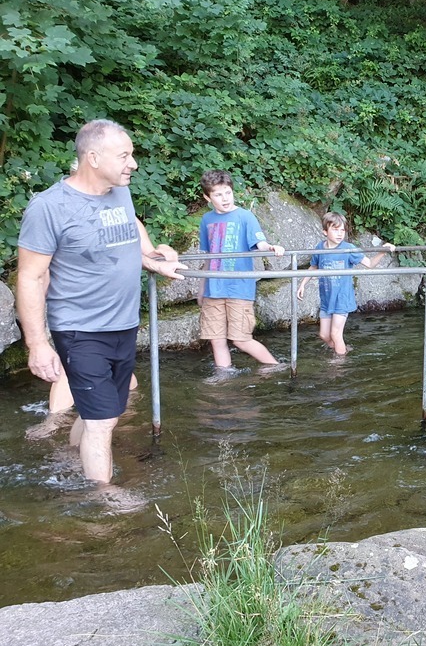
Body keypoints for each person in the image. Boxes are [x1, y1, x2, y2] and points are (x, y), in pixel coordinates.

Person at [16, 119, 185, 483]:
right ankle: (102, 499)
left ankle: (70, 463)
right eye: (125, 155)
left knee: (107, 410)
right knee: (104, 419)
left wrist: (152, 255)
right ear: (93, 158)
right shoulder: (49, 207)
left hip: (123, 324)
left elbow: (130, 224)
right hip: (80, 328)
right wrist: (37, 345)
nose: (134, 164)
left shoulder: (119, 191)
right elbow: (30, 277)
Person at [197, 169, 285, 369]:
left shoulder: (245, 217)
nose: (225, 198)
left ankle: (275, 367)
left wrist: (271, 247)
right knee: (216, 339)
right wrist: (201, 288)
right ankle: (224, 377)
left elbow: (260, 243)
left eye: (228, 192)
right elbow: (208, 257)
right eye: (218, 194)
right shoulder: (206, 220)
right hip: (213, 288)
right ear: (207, 197)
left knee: (240, 339)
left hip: (239, 288)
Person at [295, 212, 396, 355]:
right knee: (324, 335)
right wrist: (303, 284)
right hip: (327, 299)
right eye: (335, 229)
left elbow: (369, 264)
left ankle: (339, 366)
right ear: (325, 231)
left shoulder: (348, 248)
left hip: (342, 298)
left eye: (342, 230)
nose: (339, 233)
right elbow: (314, 267)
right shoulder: (320, 248)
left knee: (336, 335)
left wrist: (382, 252)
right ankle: (342, 350)